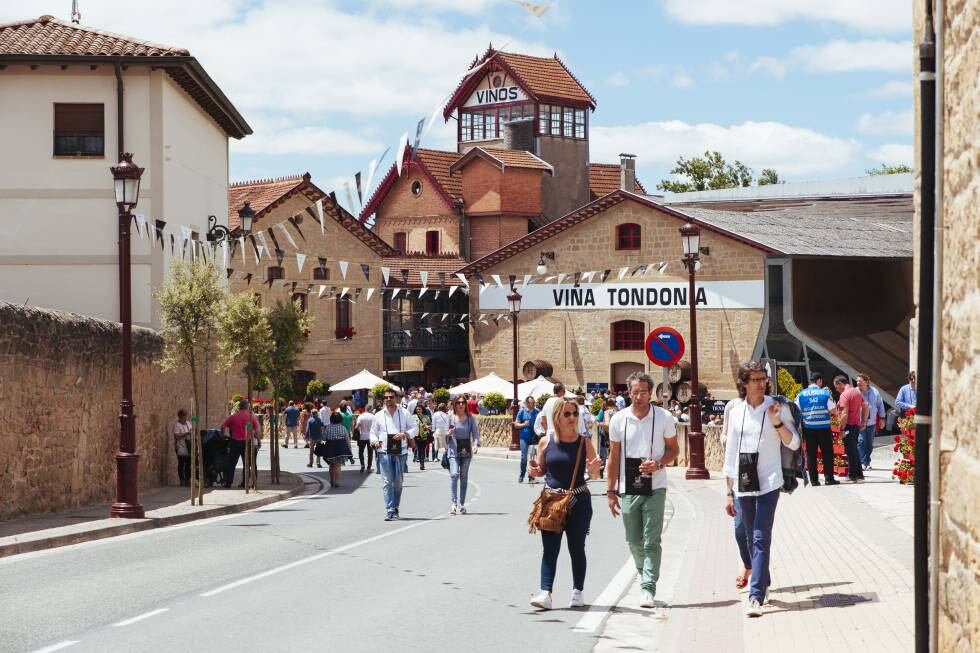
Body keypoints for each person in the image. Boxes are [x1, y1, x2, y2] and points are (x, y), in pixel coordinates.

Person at [723, 361, 801, 617]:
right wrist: (728, 491)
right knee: (748, 536)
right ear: (744, 384)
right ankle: (763, 579)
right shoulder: (735, 412)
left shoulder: (777, 407)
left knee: (760, 536)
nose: (760, 383)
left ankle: (755, 596)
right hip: (744, 483)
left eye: (763, 378)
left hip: (769, 480)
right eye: (755, 379)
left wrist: (777, 422)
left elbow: (794, 443)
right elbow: (731, 454)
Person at [606, 372, 680, 608]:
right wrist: (611, 491)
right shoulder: (618, 419)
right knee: (633, 540)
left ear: (651, 393)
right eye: (635, 392)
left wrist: (658, 463)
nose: (639, 396)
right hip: (629, 487)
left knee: (651, 540)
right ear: (628, 393)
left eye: (644, 392)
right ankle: (644, 572)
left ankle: (648, 587)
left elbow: (674, 450)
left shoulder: (664, 417)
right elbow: (614, 456)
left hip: (656, 485)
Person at [527, 397, 602, 610]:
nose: (572, 418)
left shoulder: (584, 443)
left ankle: (578, 591)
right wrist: (534, 471)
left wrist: (595, 469)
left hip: (578, 501)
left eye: (575, 414)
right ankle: (545, 593)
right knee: (550, 549)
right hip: (551, 501)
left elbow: (594, 476)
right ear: (557, 417)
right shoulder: (546, 442)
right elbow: (541, 470)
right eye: (567, 414)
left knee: (576, 547)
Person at [719, 387, 751, 591]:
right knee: (740, 530)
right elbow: (724, 436)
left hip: (763, 477)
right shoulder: (733, 406)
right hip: (740, 473)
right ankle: (748, 564)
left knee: (758, 532)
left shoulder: (770, 406)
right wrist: (728, 493)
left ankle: (759, 580)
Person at [370, 389, 418, 521]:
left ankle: (396, 507)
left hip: (400, 452)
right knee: (387, 481)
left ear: (396, 398)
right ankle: (390, 510)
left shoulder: (405, 413)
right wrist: (374, 441)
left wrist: (406, 434)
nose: (388, 399)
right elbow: (373, 432)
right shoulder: (378, 415)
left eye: (391, 397)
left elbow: (415, 428)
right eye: (386, 397)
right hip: (384, 451)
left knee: (398, 482)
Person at [795, 372, 840, 486]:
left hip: (809, 428)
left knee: (811, 454)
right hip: (824, 427)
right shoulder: (824, 393)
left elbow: (796, 410)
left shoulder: (801, 394)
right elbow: (833, 410)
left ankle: (814, 480)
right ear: (819, 381)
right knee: (827, 453)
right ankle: (829, 479)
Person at [447, 397, 479, 514]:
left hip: (466, 452)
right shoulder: (450, 417)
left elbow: (475, 434)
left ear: (465, 405)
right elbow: (445, 435)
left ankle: (462, 504)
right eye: (458, 403)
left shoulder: (470, 419)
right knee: (454, 474)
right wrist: (448, 434)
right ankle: (453, 503)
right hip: (453, 451)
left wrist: (475, 445)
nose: (461, 404)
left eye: (463, 402)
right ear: (455, 405)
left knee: (464, 477)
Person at [834, 374, 867, 483]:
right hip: (856, 425)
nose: (837, 389)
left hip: (848, 425)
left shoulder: (844, 395)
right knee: (854, 450)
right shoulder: (856, 392)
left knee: (850, 451)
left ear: (840, 383)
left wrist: (842, 428)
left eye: (836, 387)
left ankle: (852, 475)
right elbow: (866, 405)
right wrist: (864, 421)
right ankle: (859, 474)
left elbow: (844, 413)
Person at [220, 400, 260, 489]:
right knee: (249, 464)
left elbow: (223, 426)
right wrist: (259, 440)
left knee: (231, 463)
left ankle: (228, 482)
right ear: (247, 407)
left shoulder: (234, 416)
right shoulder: (251, 417)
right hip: (247, 441)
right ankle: (246, 483)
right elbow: (256, 431)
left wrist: (224, 435)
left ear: (239, 407)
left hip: (235, 442)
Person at [856, 373, 885, 470]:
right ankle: (861, 462)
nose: (858, 382)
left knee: (869, 444)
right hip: (859, 422)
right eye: (857, 381)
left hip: (872, 422)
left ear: (866, 381)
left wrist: (882, 418)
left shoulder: (874, 391)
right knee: (861, 441)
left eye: (860, 381)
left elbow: (880, 405)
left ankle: (867, 462)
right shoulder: (855, 392)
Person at [321, 412, 352, 488]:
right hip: (341, 448)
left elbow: (324, 438)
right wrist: (349, 450)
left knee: (332, 465)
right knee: (338, 465)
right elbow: (347, 440)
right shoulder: (343, 428)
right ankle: (337, 481)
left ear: (331, 419)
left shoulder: (328, 427)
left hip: (330, 448)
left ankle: (332, 480)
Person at [515, 396, 540, 483]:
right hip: (524, 438)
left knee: (533, 458)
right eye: (530, 403)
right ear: (526, 403)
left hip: (534, 438)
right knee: (524, 457)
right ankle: (522, 475)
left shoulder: (538, 412)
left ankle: (531, 476)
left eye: (533, 403)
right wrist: (524, 424)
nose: (532, 404)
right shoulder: (522, 412)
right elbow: (516, 425)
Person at [172, 409, 193, 486]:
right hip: (180, 446)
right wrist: (186, 433)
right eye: (183, 416)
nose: (185, 418)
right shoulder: (177, 425)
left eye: (185, 416)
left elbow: (192, 430)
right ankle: (182, 480)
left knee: (188, 464)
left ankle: (187, 480)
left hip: (188, 446)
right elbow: (176, 436)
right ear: (180, 417)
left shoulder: (188, 423)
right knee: (181, 464)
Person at [354, 406, 375, 474]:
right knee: (370, 453)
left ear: (365, 409)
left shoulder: (361, 416)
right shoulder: (373, 416)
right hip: (370, 437)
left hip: (362, 436)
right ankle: (369, 468)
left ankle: (362, 465)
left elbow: (357, 426)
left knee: (361, 452)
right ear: (370, 409)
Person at [413, 404, 432, 470]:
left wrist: (427, 426)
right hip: (416, 435)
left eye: (420, 409)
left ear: (422, 410)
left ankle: (422, 464)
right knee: (419, 449)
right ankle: (420, 461)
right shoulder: (413, 417)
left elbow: (430, 426)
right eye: (417, 409)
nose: (418, 410)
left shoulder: (426, 417)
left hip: (424, 435)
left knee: (422, 450)